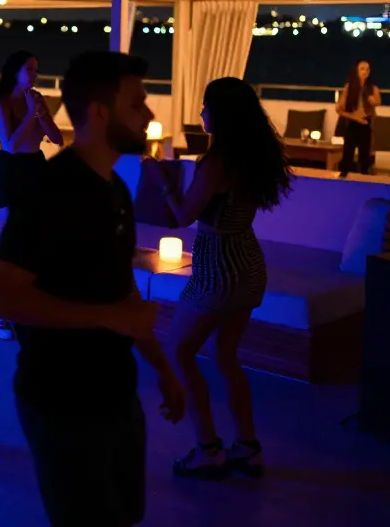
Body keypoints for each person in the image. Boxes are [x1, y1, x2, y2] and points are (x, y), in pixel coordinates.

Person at [0, 50, 185, 526]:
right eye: (137, 103)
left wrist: (162, 368)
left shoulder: (115, 190)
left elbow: (122, 293)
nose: (150, 115)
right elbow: (5, 298)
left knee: (123, 515)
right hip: (59, 399)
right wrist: (107, 318)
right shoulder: (47, 190)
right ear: (101, 112)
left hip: (116, 392)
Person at [142, 77, 291, 481]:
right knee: (226, 357)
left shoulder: (217, 162)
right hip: (248, 262)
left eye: (206, 106)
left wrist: (163, 183)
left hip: (217, 268)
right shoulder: (252, 155)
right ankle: (248, 446)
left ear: (221, 113)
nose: (202, 113)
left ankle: (208, 448)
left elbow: (184, 215)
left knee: (179, 352)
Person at [0, 50, 64, 341]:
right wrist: (31, 113)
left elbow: (57, 139)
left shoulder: (36, 99)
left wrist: (41, 113)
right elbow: (11, 144)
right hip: (10, 172)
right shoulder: (1, 102)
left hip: (35, 168)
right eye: (29, 68)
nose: (34, 74)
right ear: (14, 71)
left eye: (36, 69)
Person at [335, 59, 381, 177]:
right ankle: (343, 180)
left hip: (366, 124)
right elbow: (339, 109)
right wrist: (354, 117)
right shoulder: (349, 87)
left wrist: (372, 101)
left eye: (367, 69)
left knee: (364, 158)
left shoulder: (372, 88)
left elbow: (378, 103)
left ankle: (364, 182)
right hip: (352, 124)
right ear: (356, 71)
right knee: (347, 155)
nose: (365, 71)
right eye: (362, 69)